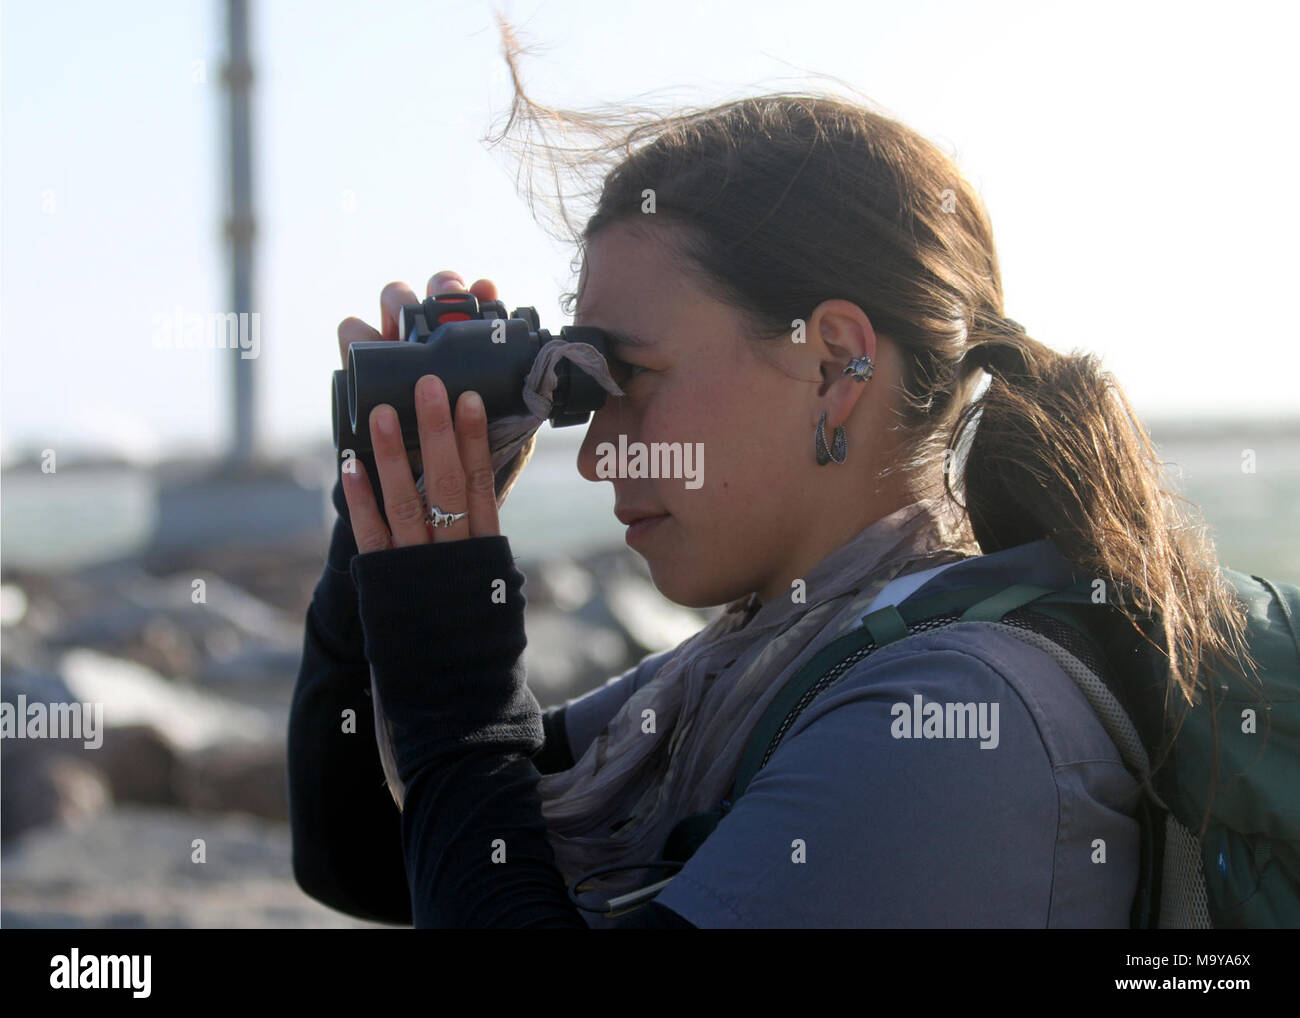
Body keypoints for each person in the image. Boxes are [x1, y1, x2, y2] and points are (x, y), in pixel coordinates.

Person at [288, 88, 1249, 929]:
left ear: (837, 366)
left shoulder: (952, 716)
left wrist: (459, 694)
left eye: (631, 377)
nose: (597, 453)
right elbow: (370, 858)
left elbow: (462, 788)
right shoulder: (769, 658)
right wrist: (381, 507)